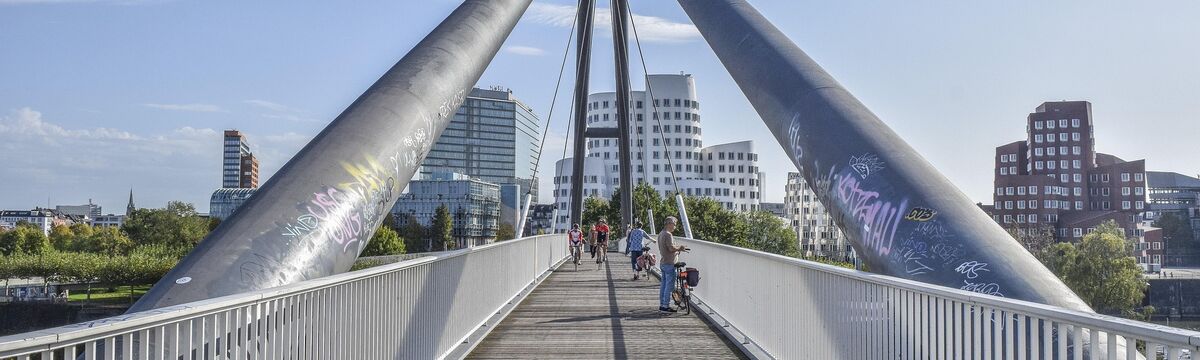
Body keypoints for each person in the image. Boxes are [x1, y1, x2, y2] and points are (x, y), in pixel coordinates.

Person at [658, 217, 687, 313]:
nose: (675, 226)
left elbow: (667, 248)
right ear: (669, 223)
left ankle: (662, 304)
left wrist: (677, 249)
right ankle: (665, 306)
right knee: (669, 286)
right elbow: (671, 248)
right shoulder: (668, 234)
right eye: (674, 224)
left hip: (663, 262)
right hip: (670, 264)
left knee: (663, 285)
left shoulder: (661, 234)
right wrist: (680, 248)